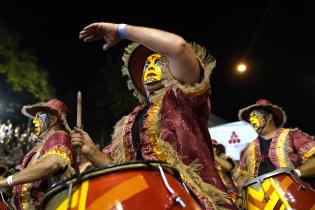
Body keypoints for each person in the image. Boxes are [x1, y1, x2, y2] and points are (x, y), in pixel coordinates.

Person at [71, 22, 235, 209]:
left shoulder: (184, 101)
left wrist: (121, 30)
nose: (149, 67)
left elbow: (179, 48)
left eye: (158, 62)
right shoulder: (128, 123)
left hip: (188, 201)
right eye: (146, 64)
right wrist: (91, 151)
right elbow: (124, 172)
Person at [236, 99, 315, 208]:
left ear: (269, 117)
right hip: (258, 204)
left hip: (294, 199)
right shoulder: (247, 150)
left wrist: (296, 174)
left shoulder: (293, 136)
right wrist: (240, 196)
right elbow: (242, 176)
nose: (251, 120)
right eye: (250, 118)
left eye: (255, 115)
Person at [0, 99, 75, 210]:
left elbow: (52, 165)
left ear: (53, 120)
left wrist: (8, 181)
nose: (34, 121)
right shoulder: (44, 144)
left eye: (39, 117)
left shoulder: (59, 136)